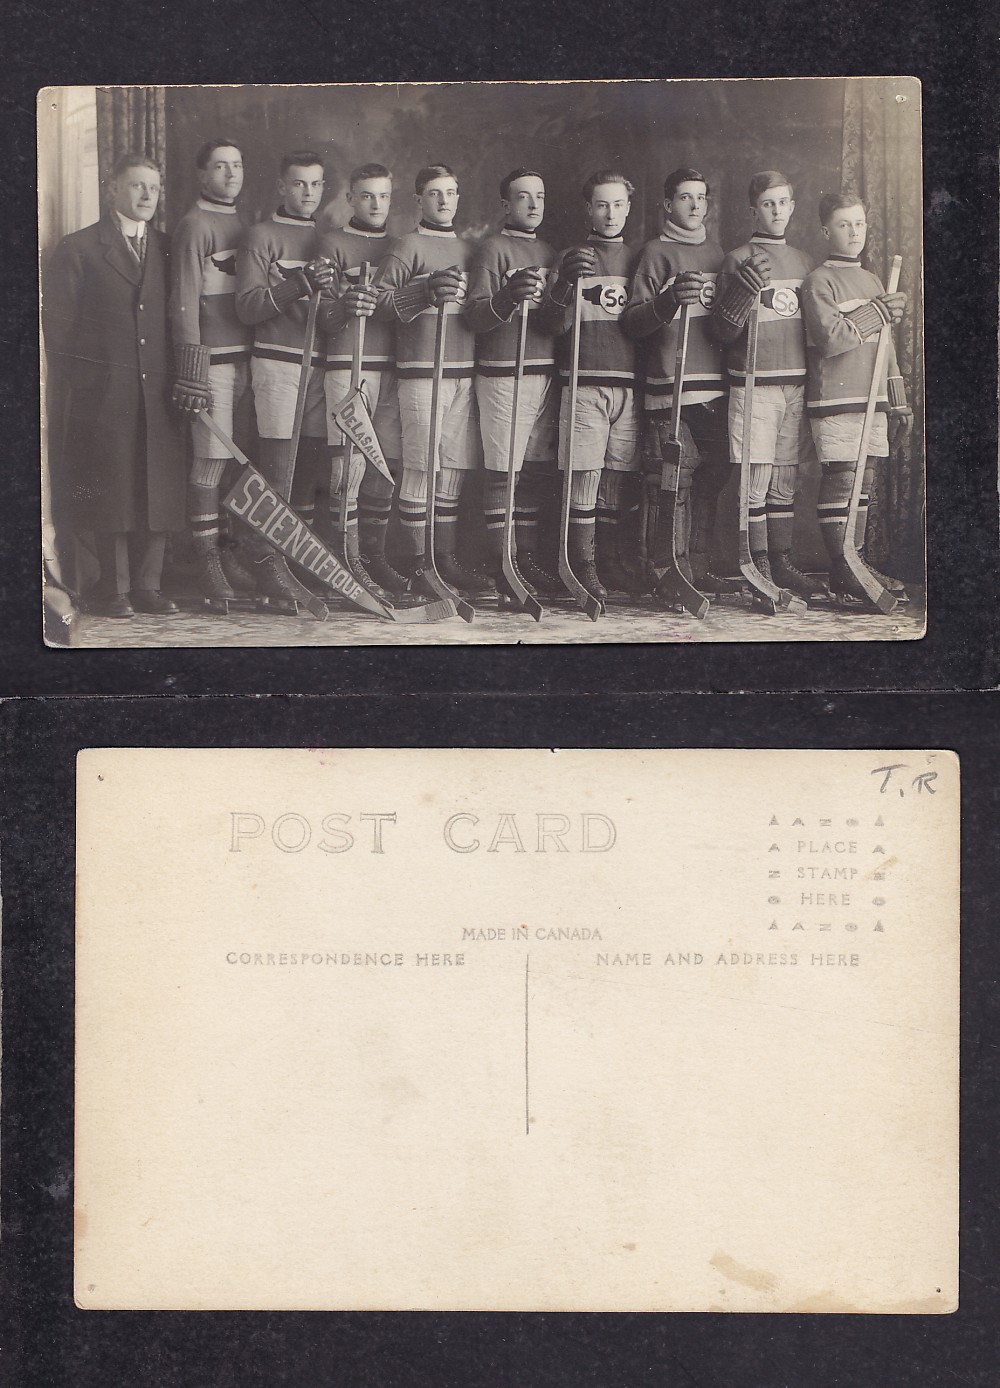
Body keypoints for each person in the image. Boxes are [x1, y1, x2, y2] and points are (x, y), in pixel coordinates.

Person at [43, 151, 185, 618]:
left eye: (154, 187)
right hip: (105, 393)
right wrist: (91, 385)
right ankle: (112, 589)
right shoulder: (79, 248)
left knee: (156, 484)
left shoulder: (167, 247)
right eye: (137, 185)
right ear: (113, 189)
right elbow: (58, 330)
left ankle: (148, 586)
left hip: (157, 389)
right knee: (112, 487)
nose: (147, 195)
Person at [373, 164, 492, 599]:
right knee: (422, 467)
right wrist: (422, 293)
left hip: (464, 370)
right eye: (435, 193)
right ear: (419, 199)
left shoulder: (470, 250)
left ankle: (443, 561)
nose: (444, 201)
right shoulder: (407, 245)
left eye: (451, 192)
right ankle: (416, 564)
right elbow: (379, 301)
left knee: (454, 469)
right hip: (422, 371)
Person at [622, 166, 733, 601]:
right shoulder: (654, 253)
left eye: (700, 197)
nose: (694, 205)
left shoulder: (718, 253)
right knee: (670, 479)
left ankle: (697, 564)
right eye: (684, 197)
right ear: (668, 204)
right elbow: (631, 322)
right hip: (669, 385)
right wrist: (668, 300)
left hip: (713, 387)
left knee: (714, 472)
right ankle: (666, 569)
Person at [712, 170, 819, 606]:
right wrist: (740, 291)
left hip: (795, 383)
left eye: (783, 202)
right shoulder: (737, 258)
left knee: (784, 478)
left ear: (793, 206)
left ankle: (781, 561)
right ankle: (753, 563)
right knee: (754, 478)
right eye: (768, 204)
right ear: (752, 209)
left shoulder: (805, 261)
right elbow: (721, 332)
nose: (776, 211)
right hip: (754, 384)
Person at [234, 150, 335, 608]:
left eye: (315, 185)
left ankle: (295, 560)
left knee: (310, 465)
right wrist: (296, 284)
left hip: (321, 362)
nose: (308, 193)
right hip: (276, 360)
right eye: (298, 184)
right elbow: (248, 308)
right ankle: (266, 564)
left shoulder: (327, 238)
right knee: (276, 464)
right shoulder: (261, 235)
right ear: (281, 186)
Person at [800, 192, 910, 604]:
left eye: (860, 223)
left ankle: (855, 563)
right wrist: (877, 313)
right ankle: (843, 568)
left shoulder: (872, 281)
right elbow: (830, 339)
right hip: (836, 399)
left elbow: (887, 350)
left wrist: (897, 400)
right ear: (826, 230)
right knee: (843, 479)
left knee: (863, 485)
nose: (854, 232)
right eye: (844, 225)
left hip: (872, 398)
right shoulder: (818, 280)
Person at [537, 169, 640, 603]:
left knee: (616, 476)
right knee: (584, 475)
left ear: (629, 207)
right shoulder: (569, 257)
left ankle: (609, 558)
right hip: (583, 382)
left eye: (618, 204)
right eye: (601, 204)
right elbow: (551, 325)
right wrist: (565, 283)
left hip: (628, 383)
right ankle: (581, 564)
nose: (610, 213)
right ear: (588, 209)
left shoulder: (639, 260)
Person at [466, 167, 561, 598]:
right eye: (523, 197)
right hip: (504, 370)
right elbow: (477, 317)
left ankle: (521, 557)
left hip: (542, 370)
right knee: (504, 468)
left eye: (539, 196)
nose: (533, 204)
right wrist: (508, 295)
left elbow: (555, 323)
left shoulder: (548, 250)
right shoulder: (492, 249)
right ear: (506, 204)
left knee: (534, 468)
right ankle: (500, 559)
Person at [168, 137, 255, 605]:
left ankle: (226, 550)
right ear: (202, 174)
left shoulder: (244, 223)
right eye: (219, 167)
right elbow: (182, 300)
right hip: (212, 362)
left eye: (236, 166)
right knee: (209, 461)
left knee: (237, 463)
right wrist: (192, 370)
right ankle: (205, 561)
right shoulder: (193, 224)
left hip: (248, 358)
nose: (230, 174)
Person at [318, 162, 406, 598]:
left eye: (384, 195)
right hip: (346, 366)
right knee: (348, 466)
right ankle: (344, 561)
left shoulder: (398, 246)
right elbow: (323, 315)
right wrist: (345, 304)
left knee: (384, 464)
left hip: (391, 366)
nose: (376, 204)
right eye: (367, 195)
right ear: (350, 198)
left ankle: (373, 559)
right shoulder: (332, 243)